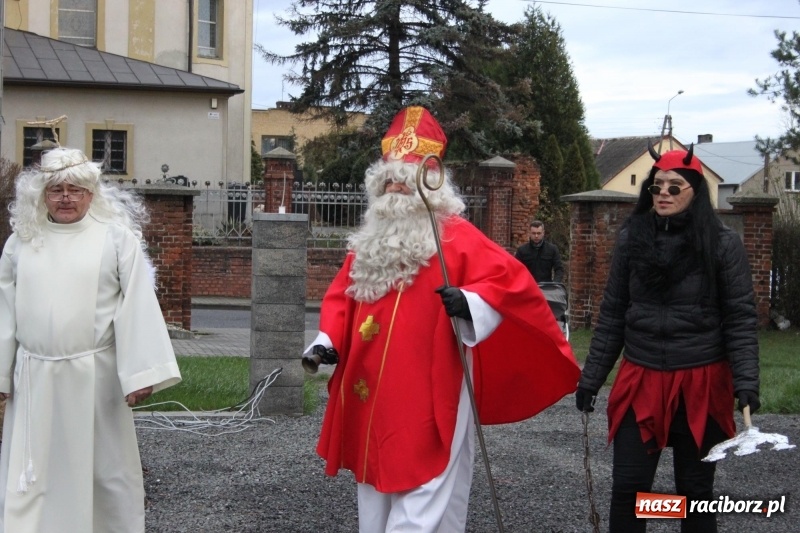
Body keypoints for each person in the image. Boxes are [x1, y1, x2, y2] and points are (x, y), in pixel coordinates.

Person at [306, 106, 580, 532]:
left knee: (425, 496)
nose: (395, 187)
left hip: (434, 383)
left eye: (404, 177)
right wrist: (326, 340)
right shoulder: (367, 244)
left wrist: (470, 302)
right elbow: (343, 298)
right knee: (374, 492)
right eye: (388, 180)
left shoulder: (455, 235)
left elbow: (512, 284)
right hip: (370, 389)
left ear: (430, 184)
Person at [575, 144, 759, 533]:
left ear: (695, 192)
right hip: (641, 379)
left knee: (694, 494)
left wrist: (746, 383)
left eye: (675, 187)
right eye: (656, 186)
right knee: (630, 489)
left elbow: (740, 318)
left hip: (700, 382)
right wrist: (591, 379)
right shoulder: (630, 239)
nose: (663, 193)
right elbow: (612, 315)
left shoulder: (723, 244)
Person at [0, 147, 182, 533]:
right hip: (36, 379)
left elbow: (136, 304)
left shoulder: (115, 241)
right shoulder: (21, 243)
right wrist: (2, 374)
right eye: (56, 189)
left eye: (75, 189)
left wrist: (140, 372)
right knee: (36, 474)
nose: (66, 197)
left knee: (102, 473)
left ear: (91, 194)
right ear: (41, 195)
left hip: (96, 378)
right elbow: (5, 315)